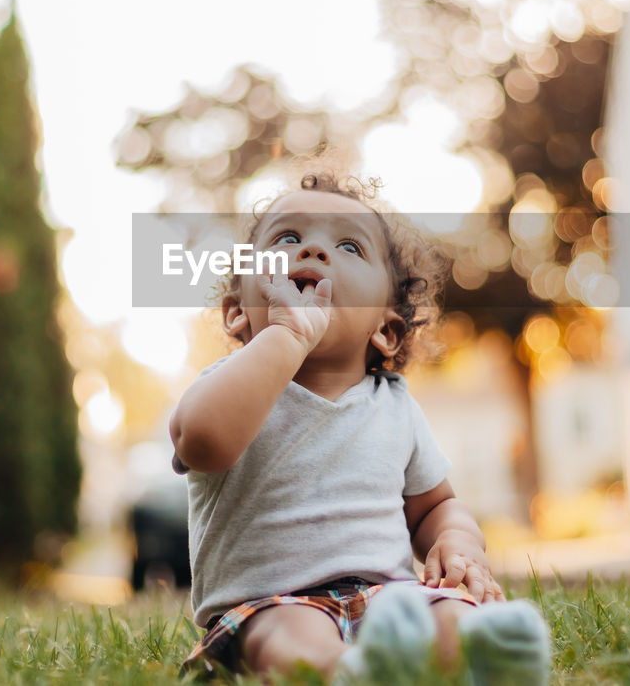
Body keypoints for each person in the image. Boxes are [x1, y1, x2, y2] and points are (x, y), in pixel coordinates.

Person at [170, 172, 551, 683]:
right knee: (291, 633)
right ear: (239, 312)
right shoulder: (230, 387)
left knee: (442, 611)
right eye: (287, 239)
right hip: (271, 603)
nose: (313, 251)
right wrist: (286, 337)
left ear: (386, 329)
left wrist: (458, 541)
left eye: (348, 246)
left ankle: (475, 657)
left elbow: (435, 505)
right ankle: (342, 673)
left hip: (388, 599)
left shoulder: (395, 408)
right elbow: (204, 443)